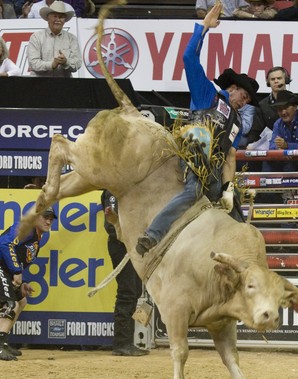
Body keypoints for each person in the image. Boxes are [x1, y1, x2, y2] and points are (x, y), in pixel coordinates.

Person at [136, 2, 258, 256]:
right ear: (233, 89)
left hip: (213, 171)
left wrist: (228, 189)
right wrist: (203, 28)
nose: (243, 102)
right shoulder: (208, 94)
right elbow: (189, 57)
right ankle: (152, 235)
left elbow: (230, 156)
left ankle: (238, 256)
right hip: (194, 155)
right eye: (243, 96)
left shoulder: (234, 121)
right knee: (193, 191)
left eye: (247, 100)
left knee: (233, 208)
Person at [0, 207, 57, 361]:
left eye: (51, 218)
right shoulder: (26, 228)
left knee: (21, 300)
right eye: (45, 217)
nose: (48, 221)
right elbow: (7, 245)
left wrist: (21, 281)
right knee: (11, 304)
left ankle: (2, 342)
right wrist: (17, 272)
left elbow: (16, 256)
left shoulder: (36, 238)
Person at [101, 191, 149, 357]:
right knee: (127, 291)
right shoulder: (113, 191)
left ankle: (126, 341)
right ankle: (122, 343)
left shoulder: (123, 189)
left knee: (134, 291)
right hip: (122, 245)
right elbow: (112, 224)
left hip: (131, 245)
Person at [26, 0, 81, 78]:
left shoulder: (72, 38)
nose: (58, 19)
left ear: (64, 20)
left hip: (63, 85)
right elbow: (33, 63)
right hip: (39, 84)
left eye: (61, 17)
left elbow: (77, 63)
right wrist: (51, 64)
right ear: (48, 18)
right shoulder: (36, 37)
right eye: (55, 16)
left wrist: (66, 62)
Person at [268, 90, 298, 172]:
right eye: (280, 109)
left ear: (295, 107)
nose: (283, 112)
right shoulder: (278, 124)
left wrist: (286, 146)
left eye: (286, 108)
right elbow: (272, 145)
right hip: (288, 165)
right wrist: (279, 151)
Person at [246, 66, 291, 146]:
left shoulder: (295, 102)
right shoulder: (262, 105)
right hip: (269, 148)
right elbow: (255, 131)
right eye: (273, 79)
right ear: (268, 82)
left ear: (286, 80)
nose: (276, 81)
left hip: (292, 146)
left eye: (279, 78)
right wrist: (251, 145)